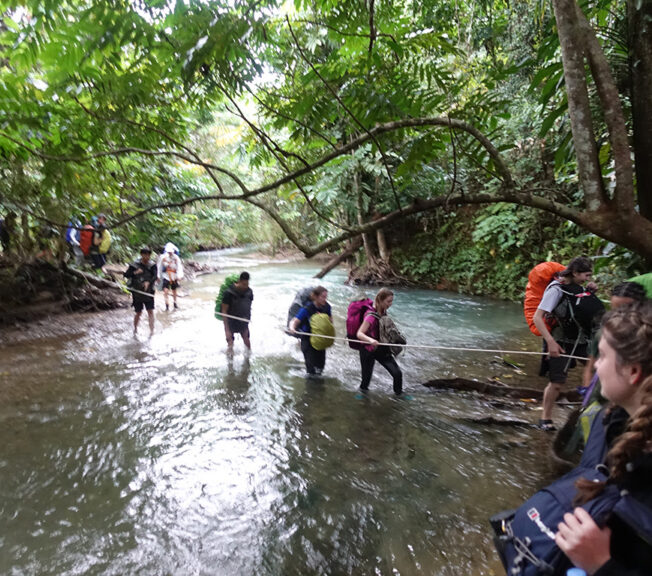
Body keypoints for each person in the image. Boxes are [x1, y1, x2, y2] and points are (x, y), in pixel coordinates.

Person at [554, 300, 652, 576]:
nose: (596, 365)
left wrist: (600, 564)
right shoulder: (614, 421)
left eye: (604, 356)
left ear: (633, 372)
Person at [533, 256, 602, 431]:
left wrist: (590, 292)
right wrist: (551, 343)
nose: (588, 279)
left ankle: (590, 411)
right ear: (575, 273)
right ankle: (545, 418)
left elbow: (579, 309)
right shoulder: (556, 290)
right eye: (586, 275)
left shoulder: (578, 288)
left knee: (599, 372)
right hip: (560, 340)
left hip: (582, 341)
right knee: (557, 382)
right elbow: (537, 318)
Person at [355, 287, 404, 395]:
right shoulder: (370, 316)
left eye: (391, 301)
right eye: (388, 301)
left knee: (397, 374)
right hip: (368, 349)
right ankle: (362, 395)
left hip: (382, 348)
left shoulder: (384, 312)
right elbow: (359, 334)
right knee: (366, 379)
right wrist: (370, 340)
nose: (390, 304)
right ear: (381, 301)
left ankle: (399, 395)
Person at [289, 286, 333, 376]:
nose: (325, 299)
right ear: (316, 296)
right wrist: (292, 329)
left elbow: (330, 321)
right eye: (323, 297)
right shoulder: (307, 308)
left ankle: (319, 388)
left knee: (320, 368)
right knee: (311, 370)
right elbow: (295, 321)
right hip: (307, 339)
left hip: (320, 339)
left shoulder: (327, 307)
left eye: (326, 297)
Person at [123, 247, 157, 336]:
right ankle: (135, 329)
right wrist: (135, 273)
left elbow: (155, 276)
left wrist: (148, 282)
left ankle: (152, 331)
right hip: (137, 292)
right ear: (141, 255)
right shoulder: (134, 265)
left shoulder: (152, 265)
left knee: (150, 311)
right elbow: (126, 275)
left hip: (149, 292)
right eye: (145, 255)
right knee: (138, 312)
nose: (147, 257)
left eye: (148, 255)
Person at [221, 271, 253, 351]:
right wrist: (227, 330)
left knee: (246, 340)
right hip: (230, 321)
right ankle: (230, 362)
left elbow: (248, 306)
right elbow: (224, 311)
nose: (245, 287)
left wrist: (247, 319)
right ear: (239, 282)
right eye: (244, 284)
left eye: (247, 284)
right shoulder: (228, 293)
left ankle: (247, 360)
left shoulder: (249, 292)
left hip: (243, 320)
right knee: (230, 343)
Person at [157, 242, 184, 311]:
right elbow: (159, 267)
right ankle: (167, 305)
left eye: (171, 252)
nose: (170, 253)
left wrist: (179, 276)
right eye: (169, 252)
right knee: (165, 291)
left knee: (174, 290)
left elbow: (179, 267)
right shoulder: (163, 257)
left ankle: (175, 303)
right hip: (166, 276)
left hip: (174, 276)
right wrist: (158, 276)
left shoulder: (176, 257)